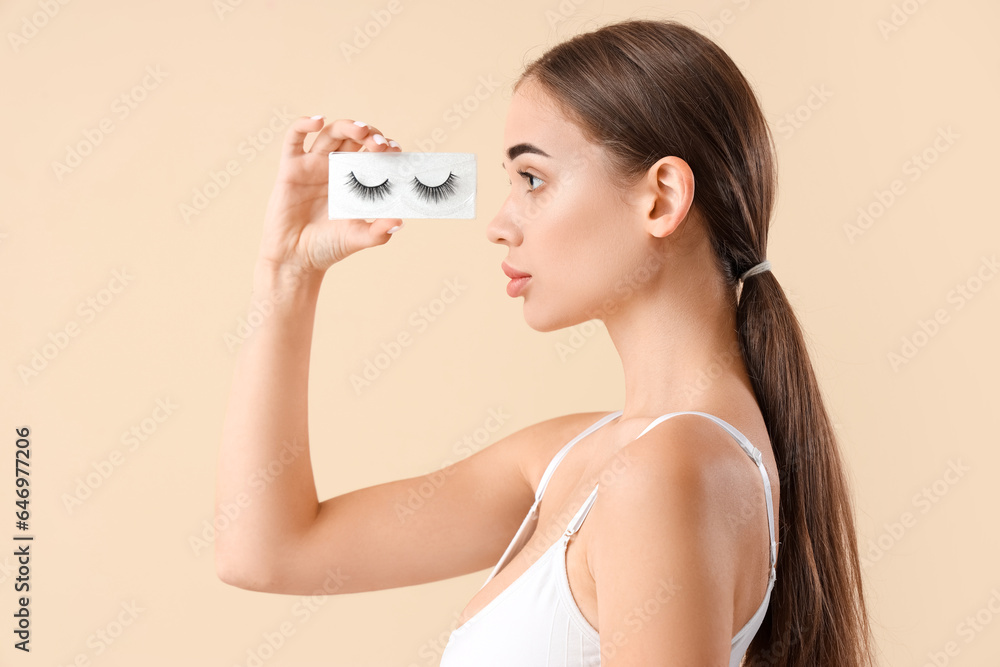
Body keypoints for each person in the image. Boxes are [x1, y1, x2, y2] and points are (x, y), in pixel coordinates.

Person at [215, 17, 876, 667]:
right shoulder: (575, 457)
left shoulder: (666, 471)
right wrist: (287, 273)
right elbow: (268, 549)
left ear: (660, 198)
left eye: (532, 179)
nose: (500, 225)